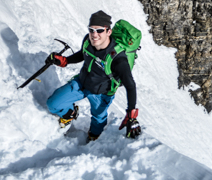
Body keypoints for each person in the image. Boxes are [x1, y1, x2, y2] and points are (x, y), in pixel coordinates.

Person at [45, 10, 141, 142]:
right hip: (81, 83)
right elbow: (83, 53)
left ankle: (94, 137)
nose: (94, 34)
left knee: (98, 119)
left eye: (100, 30)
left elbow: (131, 86)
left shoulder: (118, 59)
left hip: (101, 94)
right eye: (91, 30)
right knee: (53, 103)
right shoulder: (88, 41)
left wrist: (132, 115)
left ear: (109, 31)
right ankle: (70, 114)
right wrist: (65, 61)